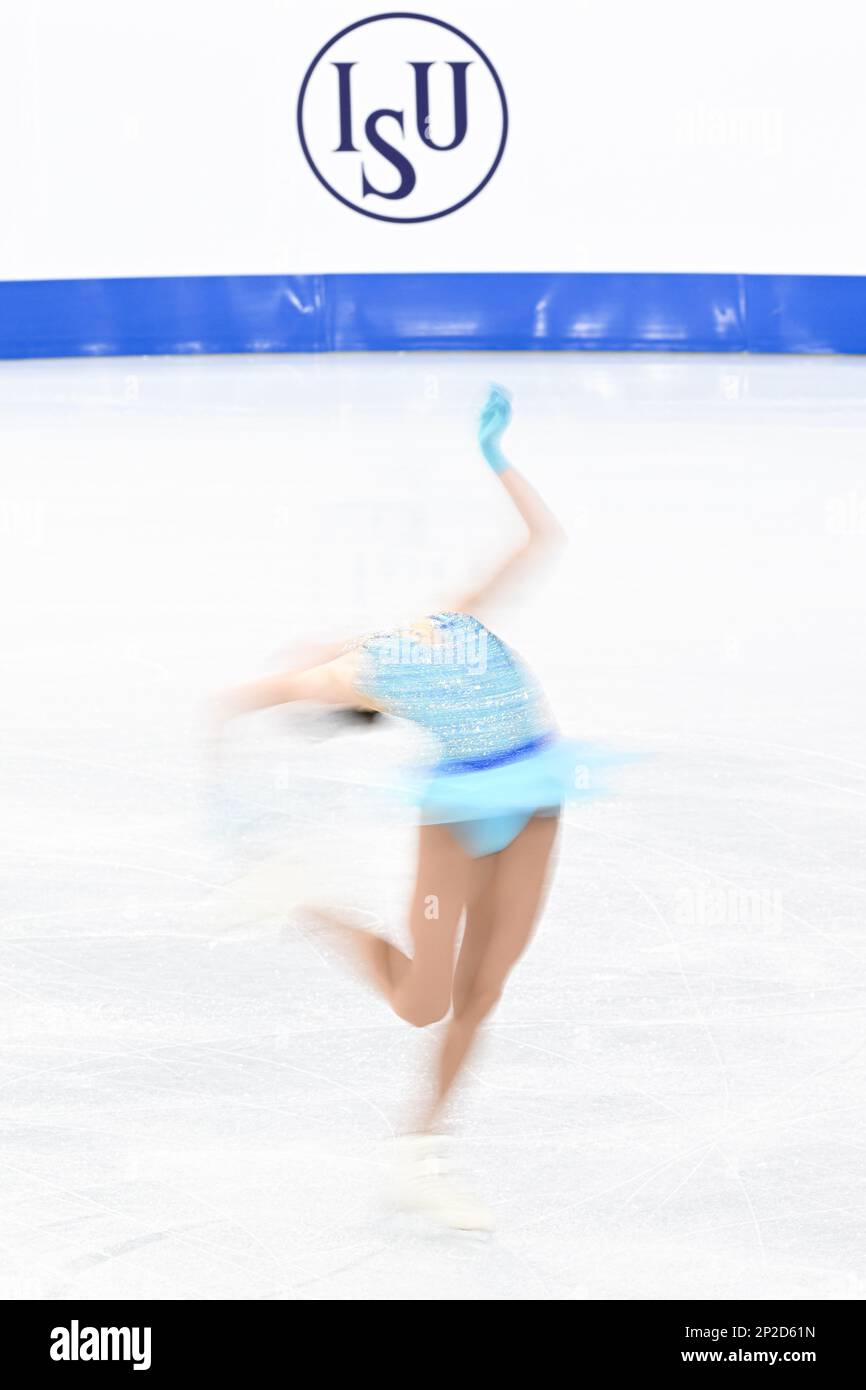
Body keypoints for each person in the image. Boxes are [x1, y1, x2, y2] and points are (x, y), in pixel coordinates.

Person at [211, 385, 594, 1230]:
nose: (313, 641)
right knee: (424, 1001)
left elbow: (542, 539)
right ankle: (300, 899)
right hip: (459, 813)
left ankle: (421, 1156)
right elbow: (235, 703)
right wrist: (231, 822)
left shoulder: (442, 621)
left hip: (534, 795)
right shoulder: (354, 678)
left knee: (485, 988)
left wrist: (499, 460)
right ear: (359, 707)